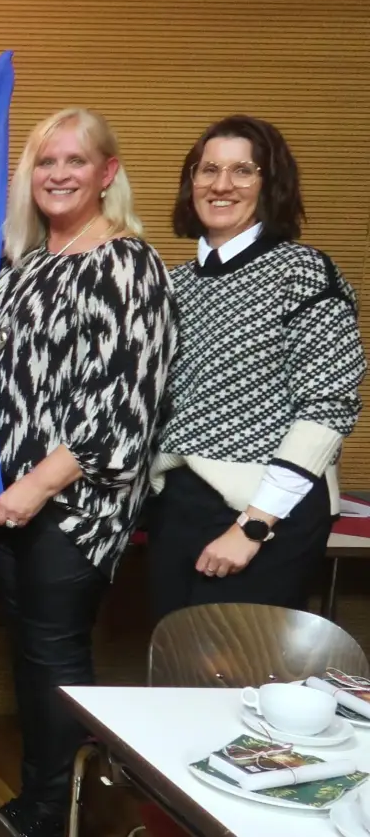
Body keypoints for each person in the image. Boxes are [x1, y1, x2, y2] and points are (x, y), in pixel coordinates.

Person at [0, 108, 175, 837]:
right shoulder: (26, 262)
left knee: (55, 656)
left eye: (74, 161)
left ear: (107, 173)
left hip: (74, 503)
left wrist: (37, 487)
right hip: (9, 499)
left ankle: (65, 815)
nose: (58, 174)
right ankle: (45, 802)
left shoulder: (127, 263)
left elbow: (123, 409)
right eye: (44, 162)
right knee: (32, 656)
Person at [149, 115, 363, 621]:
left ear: (271, 184)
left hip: (266, 513)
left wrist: (252, 526)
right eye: (208, 170)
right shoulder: (172, 284)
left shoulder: (303, 272)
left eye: (243, 171)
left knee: (233, 681)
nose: (221, 185)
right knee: (172, 673)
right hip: (180, 502)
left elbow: (329, 407)